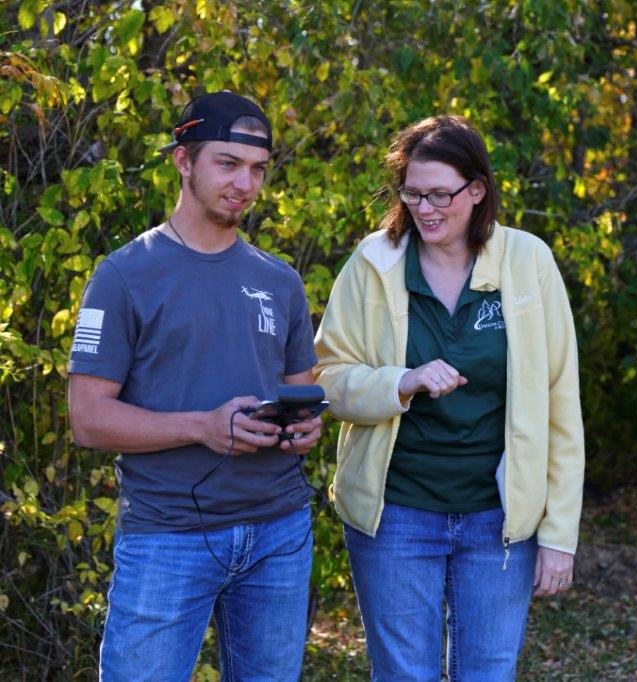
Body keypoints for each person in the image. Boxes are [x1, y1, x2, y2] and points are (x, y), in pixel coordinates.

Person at [314, 115, 585, 680]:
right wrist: (400, 382)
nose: (425, 208)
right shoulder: (374, 262)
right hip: (395, 514)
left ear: (477, 190)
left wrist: (559, 534)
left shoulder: (528, 262)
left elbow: (561, 404)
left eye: (441, 194)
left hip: (498, 520)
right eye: (412, 193)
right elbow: (327, 378)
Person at [68, 91, 322, 681]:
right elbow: (87, 418)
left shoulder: (279, 281)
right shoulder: (123, 275)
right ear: (183, 161)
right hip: (168, 535)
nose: (245, 184)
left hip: (279, 531)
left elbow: (302, 397)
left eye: (257, 169)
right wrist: (203, 427)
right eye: (228, 164)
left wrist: (301, 430)